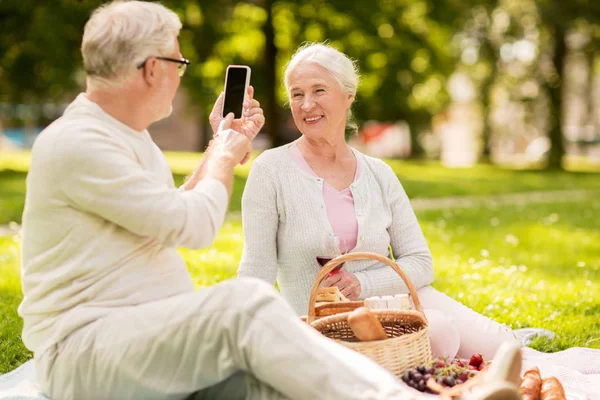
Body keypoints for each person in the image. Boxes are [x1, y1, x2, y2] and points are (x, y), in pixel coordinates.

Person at [15, 2, 463, 399]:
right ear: (153, 68)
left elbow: (161, 213)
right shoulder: (78, 143)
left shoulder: (123, 139)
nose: (180, 74)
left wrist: (219, 145)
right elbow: (191, 225)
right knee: (242, 306)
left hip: (142, 340)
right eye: (179, 61)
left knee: (273, 384)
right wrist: (227, 153)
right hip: (88, 351)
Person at [238, 43, 517, 361]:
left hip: (399, 301)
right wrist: (244, 331)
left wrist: (362, 283)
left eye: (319, 90)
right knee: (439, 335)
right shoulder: (270, 170)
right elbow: (255, 270)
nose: (306, 104)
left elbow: (420, 262)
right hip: (327, 325)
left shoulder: (379, 173)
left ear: (348, 96)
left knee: (505, 350)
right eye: (297, 94)